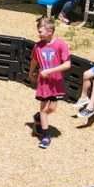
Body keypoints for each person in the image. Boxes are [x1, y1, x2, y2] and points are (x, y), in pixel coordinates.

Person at [28, 16, 71, 149]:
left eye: (40, 31)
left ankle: (39, 118)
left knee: (51, 109)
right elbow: (34, 60)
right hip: (44, 83)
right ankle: (45, 136)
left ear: (50, 31)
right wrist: (31, 72)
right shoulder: (38, 46)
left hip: (56, 82)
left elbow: (67, 64)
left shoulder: (61, 44)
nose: (38, 34)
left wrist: (50, 70)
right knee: (44, 110)